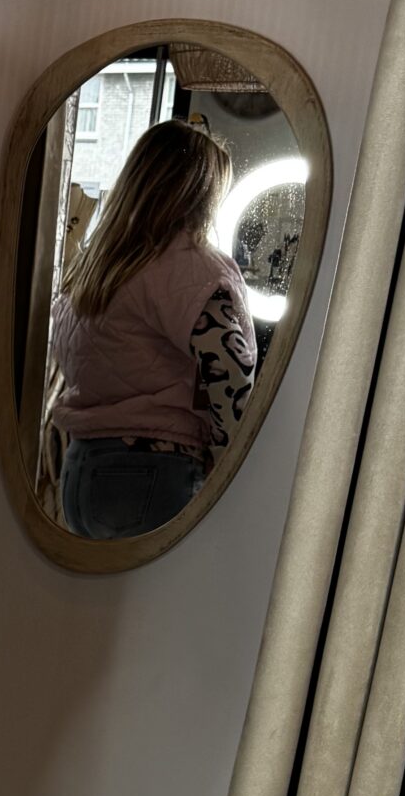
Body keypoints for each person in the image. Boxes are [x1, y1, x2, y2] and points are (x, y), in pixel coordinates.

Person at [49, 119, 257, 541]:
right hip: (153, 470)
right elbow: (231, 377)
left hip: (80, 470)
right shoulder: (191, 267)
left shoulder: (92, 269)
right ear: (200, 195)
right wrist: (228, 459)